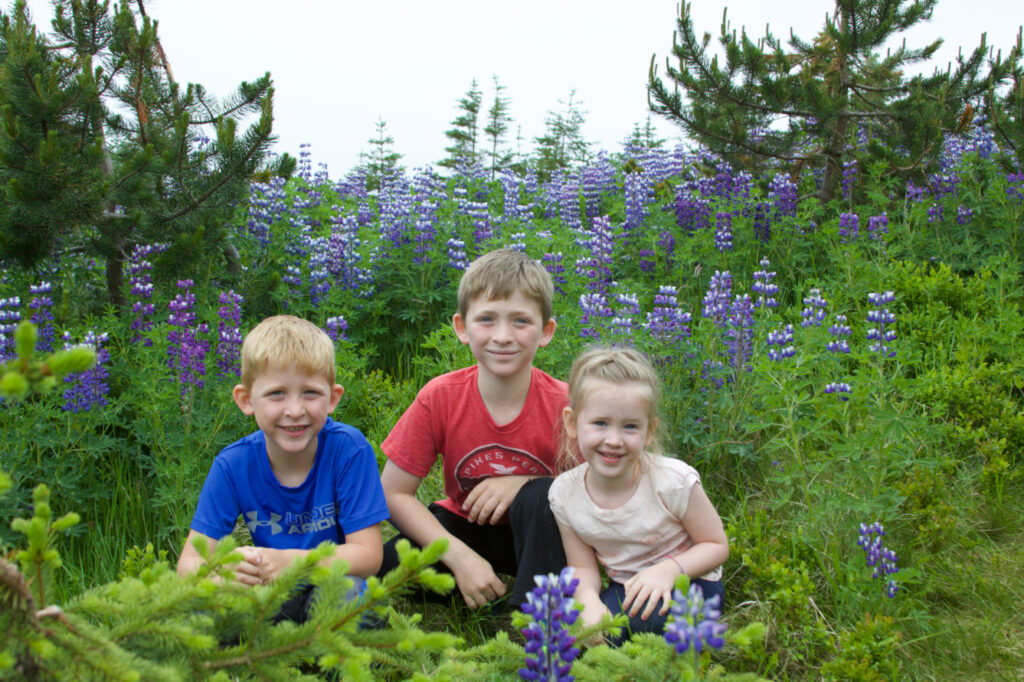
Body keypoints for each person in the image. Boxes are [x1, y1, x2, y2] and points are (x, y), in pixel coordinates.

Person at [378, 249, 568, 609]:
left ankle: (534, 619)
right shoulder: (440, 396)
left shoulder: (566, 404)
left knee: (542, 496)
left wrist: (525, 484)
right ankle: (474, 578)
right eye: (486, 319)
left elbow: (600, 486)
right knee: (386, 566)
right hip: (465, 527)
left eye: (520, 321)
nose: (502, 336)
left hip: (545, 537)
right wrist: (460, 557)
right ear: (462, 328)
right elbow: (392, 494)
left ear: (546, 332)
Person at [176, 315, 388, 624]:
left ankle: (331, 665)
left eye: (310, 393)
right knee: (197, 610)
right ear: (246, 400)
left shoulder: (348, 449)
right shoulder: (233, 465)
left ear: (333, 398)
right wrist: (226, 578)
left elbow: (369, 556)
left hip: (333, 583)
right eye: (277, 393)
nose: (295, 410)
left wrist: (290, 562)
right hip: (268, 593)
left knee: (352, 596)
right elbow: (189, 564)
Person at [549, 347, 729, 643]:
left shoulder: (673, 481)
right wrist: (589, 602)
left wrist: (668, 572)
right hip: (626, 586)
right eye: (600, 423)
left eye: (630, 426)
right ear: (572, 422)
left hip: (690, 580)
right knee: (578, 635)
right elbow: (582, 566)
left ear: (648, 432)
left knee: (641, 629)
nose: (614, 440)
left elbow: (715, 545)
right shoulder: (565, 494)